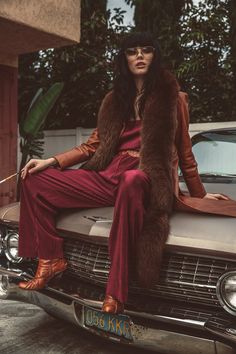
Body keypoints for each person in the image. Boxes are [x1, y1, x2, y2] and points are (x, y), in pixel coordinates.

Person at [18, 32, 236, 315]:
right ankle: (50, 259)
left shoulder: (175, 98)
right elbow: (91, 145)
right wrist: (51, 161)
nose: (140, 56)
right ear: (125, 59)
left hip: (146, 177)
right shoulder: (114, 100)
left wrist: (201, 195)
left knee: (132, 180)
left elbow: (185, 152)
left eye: (147, 50)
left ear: (155, 56)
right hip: (110, 174)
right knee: (35, 180)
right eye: (133, 52)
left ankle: (116, 292)